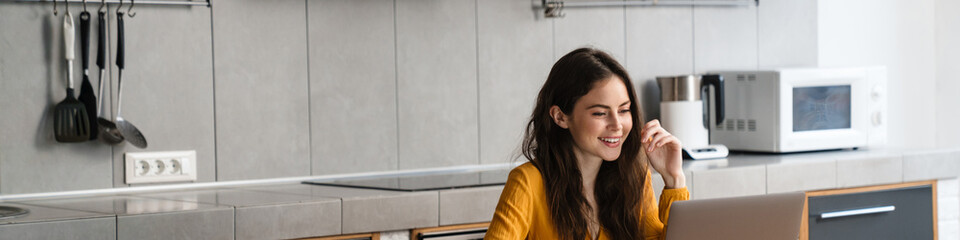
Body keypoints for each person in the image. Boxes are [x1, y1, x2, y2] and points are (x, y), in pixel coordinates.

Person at [485, 48, 689, 240]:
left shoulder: (633, 177)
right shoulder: (528, 182)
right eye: (600, 113)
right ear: (560, 117)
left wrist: (674, 179)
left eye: (624, 110)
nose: (617, 125)